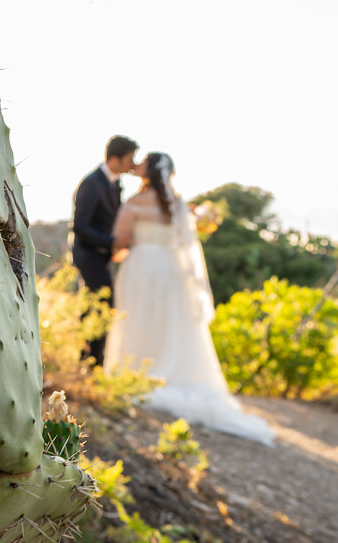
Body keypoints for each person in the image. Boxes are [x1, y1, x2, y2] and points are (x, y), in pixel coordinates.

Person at [103, 152, 276, 445]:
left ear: (148, 173)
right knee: (167, 323)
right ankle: (163, 371)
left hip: (142, 268)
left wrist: (119, 251)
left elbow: (119, 242)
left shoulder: (134, 203)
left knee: (138, 319)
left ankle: (133, 372)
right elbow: (186, 249)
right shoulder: (179, 205)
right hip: (171, 273)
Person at [71, 135, 138, 364]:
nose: (133, 164)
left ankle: (87, 362)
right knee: (102, 307)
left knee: (94, 307)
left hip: (102, 257)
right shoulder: (91, 183)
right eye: (130, 159)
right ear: (116, 159)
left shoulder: (115, 182)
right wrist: (112, 243)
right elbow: (80, 227)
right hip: (88, 256)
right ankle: (92, 363)